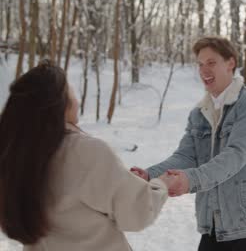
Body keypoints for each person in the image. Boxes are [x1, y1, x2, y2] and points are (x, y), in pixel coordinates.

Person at [0, 60, 171, 251]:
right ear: (60, 103)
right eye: (71, 90)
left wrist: (120, 180)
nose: (76, 98)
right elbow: (137, 211)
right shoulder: (85, 152)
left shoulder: (14, 156)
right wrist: (162, 185)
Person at [131, 36, 246, 251]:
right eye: (200, 64)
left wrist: (190, 180)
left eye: (211, 63)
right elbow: (185, 156)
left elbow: (235, 155)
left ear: (230, 63)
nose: (204, 70)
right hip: (214, 222)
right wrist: (148, 175)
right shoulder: (199, 114)